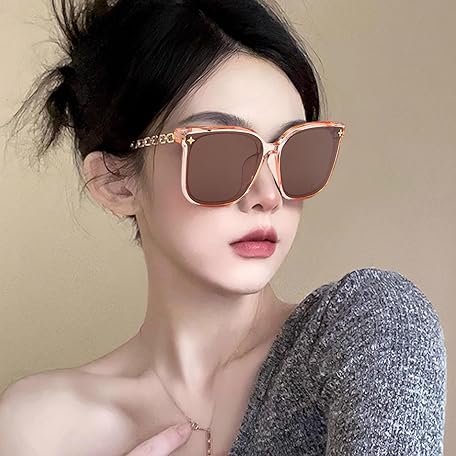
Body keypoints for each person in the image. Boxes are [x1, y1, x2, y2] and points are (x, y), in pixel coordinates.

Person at [0, 0, 447, 455]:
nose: (268, 194)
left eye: (296, 153)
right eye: (220, 153)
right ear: (115, 182)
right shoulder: (37, 427)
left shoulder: (369, 331)